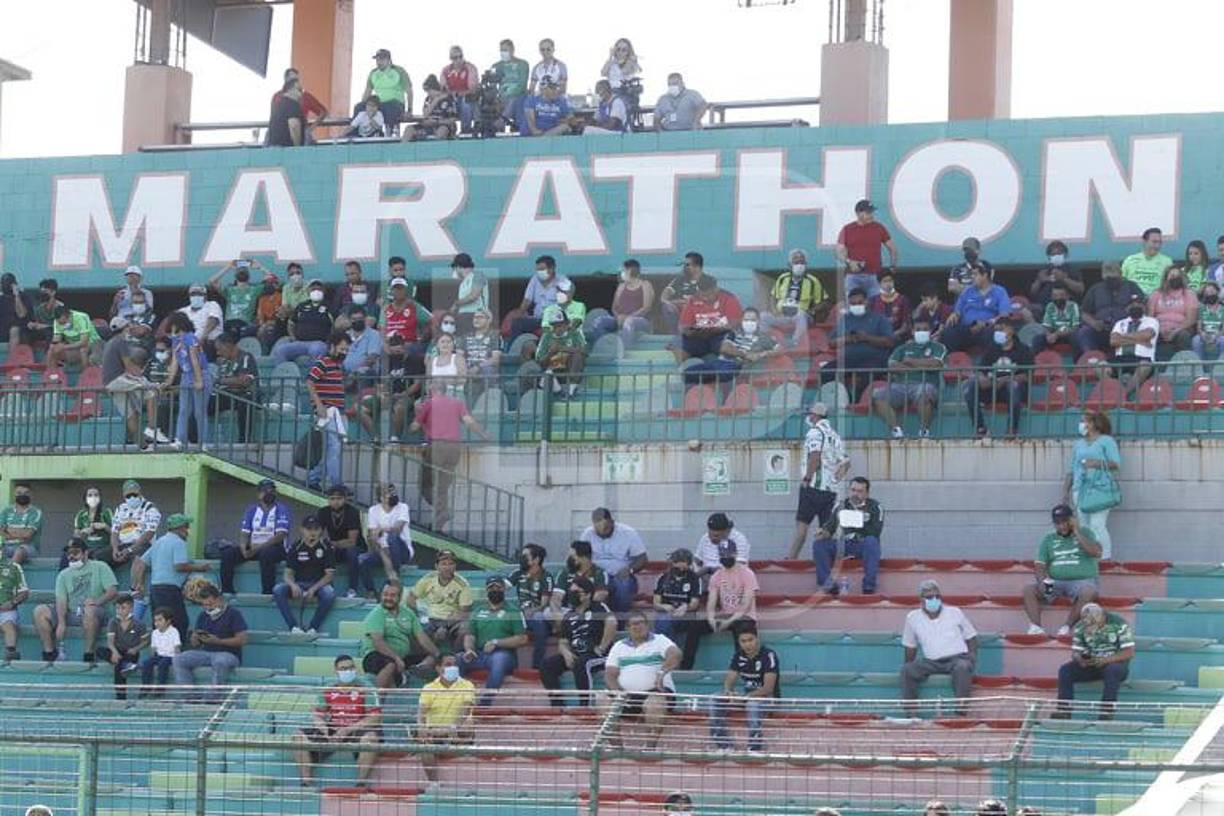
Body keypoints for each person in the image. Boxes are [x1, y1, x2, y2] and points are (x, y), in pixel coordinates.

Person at [410, 378, 490, 530]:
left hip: (437, 446)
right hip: (454, 447)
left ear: (432, 389)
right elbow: (468, 421)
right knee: (442, 485)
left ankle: (442, 511)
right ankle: (440, 519)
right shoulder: (457, 403)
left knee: (425, 483)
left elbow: (415, 426)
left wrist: (410, 427)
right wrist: (483, 434)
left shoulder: (428, 404)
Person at [293, 655, 382, 787]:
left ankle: (361, 783)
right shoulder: (328, 688)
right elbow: (317, 715)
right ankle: (306, 782)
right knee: (298, 737)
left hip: (357, 729)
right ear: (336, 671)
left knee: (371, 738)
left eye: (351, 667)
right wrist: (324, 728)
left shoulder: (366, 688)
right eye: (344, 668)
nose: (348, 671)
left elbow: (375, 718)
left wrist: (347, 730)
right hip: (333, 729)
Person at [900, 580, 978, 715]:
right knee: (907, 670)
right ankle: (911, 713)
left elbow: (971, 637)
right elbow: (910, 646)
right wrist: (909, 664)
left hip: (957, 658)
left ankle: (961, 712)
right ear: (921, 599)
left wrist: (972, 657)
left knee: (963, 667)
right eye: (929, 597)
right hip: (931, 662)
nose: (934, 600)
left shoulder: (955, 612)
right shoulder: (912, 617)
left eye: (937, 596)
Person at [604, 610, 681, 749]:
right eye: (633, 624)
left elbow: (675, 654)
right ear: (627, 628)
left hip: (657, 692)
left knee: (654, 702)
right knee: (601, 698)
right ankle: (618, 750)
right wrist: (617, 692)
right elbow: (610, 674)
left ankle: (649, 749)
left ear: (648, 625)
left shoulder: (660, 640)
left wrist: (662, 672)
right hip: (626, 695)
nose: (637, 626)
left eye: (641, 623)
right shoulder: (619, 646)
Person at [1022, 505, 1101, 638]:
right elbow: (1040, 565)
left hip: (1082, 581)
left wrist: (1076, 531)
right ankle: (1036, 628)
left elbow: (1095, 552)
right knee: (1029, 590)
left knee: (1089, 592)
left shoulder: (1086, 533)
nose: (1061, 526)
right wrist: (1041, 581)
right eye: (1057, 523)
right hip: (1056, 581)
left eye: (1065, 522)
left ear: (1072, 520)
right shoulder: (1048, 539)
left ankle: (1067, 627)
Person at [34, 539, 117, 663]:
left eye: (76, 552)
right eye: (69, 553)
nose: (71, 556)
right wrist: (61, 622)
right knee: (40, 611)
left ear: (85, 553)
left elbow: (112, 590)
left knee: (89, 610)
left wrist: (97, 602)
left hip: (96, 612)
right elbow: (61, 600)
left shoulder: (100, 566)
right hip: (72, 613)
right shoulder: (63, 574)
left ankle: (88, 654)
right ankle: (49, 653)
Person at [540, 577, 617, 707]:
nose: (572, 595)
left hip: (599, 654)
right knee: (547, 665)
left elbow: (612, 622)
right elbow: (563, 641)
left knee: (582, 664)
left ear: (587, 594)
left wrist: (602, 648)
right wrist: (566, 653)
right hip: (577, 653)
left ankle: (585, 706)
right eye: (571, 591)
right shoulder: (569, 615)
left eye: (576, 592)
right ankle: (557, 705)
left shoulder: (598, 607)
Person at [788, 402, 851, 559]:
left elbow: (814, 456)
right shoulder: (834, 435)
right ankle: (824, 561)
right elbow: (846, 462)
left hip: (813, 487)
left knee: (802, 526)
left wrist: (807, 478)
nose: (808, 417)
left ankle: (791, 558)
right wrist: (835, 480)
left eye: (810, 414)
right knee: (825, 530)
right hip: (829, 490)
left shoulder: (815, 432)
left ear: (815, 416)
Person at [1052, 602, 1134, 720]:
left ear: (1102, 617)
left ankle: (1106, 711)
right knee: (1065, 670)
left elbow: (1128, 652)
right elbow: (1076, 652)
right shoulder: (1081, 626)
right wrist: (1081, 659)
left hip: (1114, 663)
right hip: (1092, 664)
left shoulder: (1119, 624)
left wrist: (1105, 660)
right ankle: (1064, 710)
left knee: (1112, 670)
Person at [708, 621, 780, 752]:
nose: (747, 644)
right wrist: (728, 692)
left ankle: (754, 748)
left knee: (753, 705)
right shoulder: (738, 655)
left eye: (750, 640)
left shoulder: (769, 655)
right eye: (743, 641)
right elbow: (729, 679)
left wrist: (745, 697)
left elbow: (768, 688)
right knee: (714, 699)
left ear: (757, 639)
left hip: (767, 698)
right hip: (746, 698)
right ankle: (725, 746)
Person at [872, 315, 946, 439]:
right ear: (912, 331)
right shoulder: (902, 348)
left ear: (930, 330)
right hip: (900, 386)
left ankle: (924, 431)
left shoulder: (938, 347)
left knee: (925, 392)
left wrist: (910, 361)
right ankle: (896, 430)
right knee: (877, 396)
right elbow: (892, 366)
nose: (921, 332)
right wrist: (923, 365)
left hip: (925, 383)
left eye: (925, 329)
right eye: (918, 329)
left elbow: (936, 364)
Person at [1062, 409, 1121, 560]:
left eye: (1084, 421)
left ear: (1093, 424)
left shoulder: (1107, 441)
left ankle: (1104, 558)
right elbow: (1071, 469)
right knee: (1084, 527)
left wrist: (1095, 463)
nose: (1081, 424)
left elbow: (1116, 464)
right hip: (1079, 490)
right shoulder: (1078, 444)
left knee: (1097, 524)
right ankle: (1089, 558)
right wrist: (1065, 492)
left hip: (1099, 489)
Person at [460, 577, 528, 705]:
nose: (495, 590)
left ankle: (485, 703)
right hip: (479, 654)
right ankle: (454, 701)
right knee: (456, 659)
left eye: (498, 587)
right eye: (491, 588)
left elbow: (522, 638)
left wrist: (497, 642)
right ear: (486, 590)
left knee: (499, 660)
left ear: (504, 590)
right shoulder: (478, 611)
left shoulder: (513, 611)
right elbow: (470, 635)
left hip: (504, 655)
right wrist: (469, 650)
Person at [359, 581, 440, 690]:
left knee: (433, 656)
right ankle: (376, 700)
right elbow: (378, 642)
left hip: (401, 658)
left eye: (392, 595)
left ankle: (415, 670)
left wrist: (439, 655)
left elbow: (422, 637)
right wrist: (396, 659)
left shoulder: (408, 613)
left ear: (400, 597)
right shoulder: (376, 614)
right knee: (390, 664)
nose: (388, 598)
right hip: (374, 656)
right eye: (385, 594)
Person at [134, 513, 203, 639]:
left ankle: (159, 653)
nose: (187, 531)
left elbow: (141, 563)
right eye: (186, 527)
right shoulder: (178, 543)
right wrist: (200, 568)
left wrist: (140, 583)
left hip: (155, 589)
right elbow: (179, 566)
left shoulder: (159, 542)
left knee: (160, 624)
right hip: (170, 590)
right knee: (180, 623)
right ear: (180, 528)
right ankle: (174, 655)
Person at [173, 584, 249, 697]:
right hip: (206, 653)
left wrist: (219, 641)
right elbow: (195, 645)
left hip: (229, 654)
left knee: (220, 661)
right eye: (204, 605)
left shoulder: (233, 614)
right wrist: (195, 638)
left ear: (218, 599)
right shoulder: (203, 616)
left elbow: (243, 640)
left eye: (210, 604)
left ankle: (212, 698)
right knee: (179, 659)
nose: (208, 608)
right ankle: (189, 698)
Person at [963, 317, 1033, 438]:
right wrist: (982, 379)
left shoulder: (1024, 349)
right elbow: (981, 370)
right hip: (992, 389)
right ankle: (980, 428)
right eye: (996, 330)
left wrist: (1004, 380)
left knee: (1013, 386)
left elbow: (1027, 376)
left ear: (1011, 330)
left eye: (1001, 329)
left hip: (1014, 391)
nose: (998, 333)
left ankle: (1012, 430)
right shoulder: (991, 349)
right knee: (970, 385)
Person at [813, 477, 883, 594]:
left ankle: (868, 586)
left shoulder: (875, 507)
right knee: (819, 545)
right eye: (853, 490)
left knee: (872, 541)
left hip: (863, 543)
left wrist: (855, 519)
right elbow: (829, 528)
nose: (855, 494)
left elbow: (875, 532)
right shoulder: (841, 506)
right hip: (844, 543)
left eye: (860, 491)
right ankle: (828, 584)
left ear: (867, 493)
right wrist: (822, 533)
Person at [220, 479, 291, 596]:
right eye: (265, 491)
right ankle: (227, 591)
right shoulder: (252, 510)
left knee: (266, 555)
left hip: (275, 548)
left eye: (272, 490)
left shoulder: (281, 509)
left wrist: (257, 548)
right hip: (254, 547)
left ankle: (267, 593)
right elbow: (245, 533)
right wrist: (244, 548)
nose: (269, 493)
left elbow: (280, 535)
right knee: (228, 554)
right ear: (259, 494)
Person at [416, 654, 476, 784]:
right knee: (424, 743)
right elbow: (421, 713)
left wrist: (452, 727)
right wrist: (421, 726)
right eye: (448, 665)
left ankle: (447, 735)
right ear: (438, 668)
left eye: (455, 665)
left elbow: (466, 709)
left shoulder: (467, 685)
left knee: (469, 723)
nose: (453, 667)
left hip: (457, 730)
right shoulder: (429, 688)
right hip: (435, 733)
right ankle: (434, 784)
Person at [274, 516, 336, 635]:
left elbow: (329, 576)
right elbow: (288, 574)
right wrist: (292, 585)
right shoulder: (296, 546)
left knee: (329, 594)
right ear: (301, 529)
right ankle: (293, 627)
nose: (312, 532)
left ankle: (313, 628)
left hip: (320, 585)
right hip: (300, 584)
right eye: (309, 529)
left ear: (321, 530)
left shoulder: (326, 546)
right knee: (278, 590)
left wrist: (313, 589)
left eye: (316, 529)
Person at [580, 508, 648, 614]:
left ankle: (619, 623)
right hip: (596, 574)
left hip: (620, 575)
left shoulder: (628, 532)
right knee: (582, 587)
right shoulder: (587, 534)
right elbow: (580, 556)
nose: (602, 531)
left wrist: (629, 570)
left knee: (623, 586)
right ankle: (595, 622)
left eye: (606, 528)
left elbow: (642, 559)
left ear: (612, 522)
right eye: (598, 528)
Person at [306, 332, 351, 492]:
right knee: (334, 448)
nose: (344, 352)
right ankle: (337, 486)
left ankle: (313, 478)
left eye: (346, 349)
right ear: (332, 346)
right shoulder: (323, 362)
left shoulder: (339, 365)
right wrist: (319, 405)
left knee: (334, 449)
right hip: (327, 412)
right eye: (342, 348)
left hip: (338, 412)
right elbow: (310, 381)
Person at [406, 549, 473, 651]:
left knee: (465, 629)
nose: (447, 567)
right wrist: (416, 618)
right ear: (436, 566)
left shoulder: (462, 584)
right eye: (443, 564)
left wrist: (444, 626)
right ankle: (430, 659)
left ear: (455, 566)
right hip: (431, 619)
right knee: (413, 632)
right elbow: (411, 597)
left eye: (451, 564)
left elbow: (464, 612)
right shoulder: (428, 579)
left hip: (452, 621)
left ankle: (454, 657)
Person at [161, 312, 211, 449]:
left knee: (199, 412)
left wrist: (199, 380)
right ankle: (179, 439)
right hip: (186, 376)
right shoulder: (176, 341)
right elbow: (175, 362)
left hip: (200, 373)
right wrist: (169, 380)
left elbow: (194, 360)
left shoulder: (191, 338)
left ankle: (203, 442)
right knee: (184, 410)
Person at [829, 287, 894, 390]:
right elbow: (831, 343)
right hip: (848, 360)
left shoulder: (880, 319)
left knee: (863, 376)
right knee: (825, 372)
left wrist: (866, 337)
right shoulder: (845, 319)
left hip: (874, 360)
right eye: (853, 304)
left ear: (867, 301)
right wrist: (847, 339)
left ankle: (854, 403)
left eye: (860, 302)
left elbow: (889, 342)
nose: (856, 306)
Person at [1076, 261, 1145, 355]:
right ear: (1102, 276)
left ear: (1120, 274)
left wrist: (1133, 308)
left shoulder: (1131, 286)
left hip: (1125, 329)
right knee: (1084, 332)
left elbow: (1142, 306)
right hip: (1101, 328)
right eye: (1108, 278)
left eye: (1114, 278)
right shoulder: (1095, 289)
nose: (1111, 281)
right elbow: (1084, 312)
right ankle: (1092, 358)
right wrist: (1094, 323)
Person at [652, 548, 704, 670]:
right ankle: (668, 657)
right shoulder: (662, 578)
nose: (680, 570)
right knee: (664, 621)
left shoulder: (695, 579)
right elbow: (656, 603)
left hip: (686, 615)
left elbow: (695, 603)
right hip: (667, 613)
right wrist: (665, 607)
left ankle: (667, 658)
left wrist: (686, 607)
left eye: (683, 568)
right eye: (677, 567)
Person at [836, 200, 898, 301]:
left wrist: (892, 266)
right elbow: (838, 251)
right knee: (853, 305)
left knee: (875, 306)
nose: (871, 215)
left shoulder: (879, 228)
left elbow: (893, 248)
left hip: (874, 276)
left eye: (871, 212)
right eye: (868, 212)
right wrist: (849, 261)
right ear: (858, 213)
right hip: (853, 276)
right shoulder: (847, 229)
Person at [942, 264, 1012, 353]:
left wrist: (987, 323)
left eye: (975, 275)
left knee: (991, 335)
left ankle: (987, 365)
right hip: (967, 328)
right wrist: (954, 314)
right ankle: (951, 363)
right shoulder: (967, 291)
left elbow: (1005, 314)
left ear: (985, 275)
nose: (972, 277)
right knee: (949, 334)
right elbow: (957, 311)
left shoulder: (999, 291)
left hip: (988, 328)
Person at [676, 274, 744, 364]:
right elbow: (683, 326)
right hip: (699, 337)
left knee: (727, 346)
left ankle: (743, 358)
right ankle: (682, 372)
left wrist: (712, 329)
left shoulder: (729, 298)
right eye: (703, 296)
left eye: (709, 295)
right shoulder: (693, 300)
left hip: (720, 336)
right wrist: (692, 331)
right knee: (677, 345)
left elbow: (734, 323)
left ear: (715, 289)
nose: (706, 298)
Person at [508, 543, 555, 669]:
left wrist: (531, 611)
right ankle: (511, 665)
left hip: (536, 614)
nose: (521, 559)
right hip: (520, 614)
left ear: (536, 560)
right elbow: (502, 587)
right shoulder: (518, 573)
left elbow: (544, 604)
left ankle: (537, 665)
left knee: (539, 618)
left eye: (525, 556)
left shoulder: (546, 577)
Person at [360, 483, 413, 593]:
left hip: (402, 551)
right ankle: (371, 591)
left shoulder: (402, 507)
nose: (393, 495)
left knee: (392, 537)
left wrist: (381, 529)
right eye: (389, 493)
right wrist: (381, 551)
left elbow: (397, 529)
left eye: (394, 492)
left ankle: (393, 577)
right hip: (382, 550)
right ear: (381, 497)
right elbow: (372, 536)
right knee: (362, 560)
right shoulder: (373, 510)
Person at [705, 539, 759, 636]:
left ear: (735, 554)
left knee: (742, 628)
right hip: (725, 614)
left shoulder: (747, 574)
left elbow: (745, 605)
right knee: (694, 626)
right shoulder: (716, 576)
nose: (725, 557)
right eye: (722, 555)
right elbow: (711, 601)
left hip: (744, 616)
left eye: (728, 554)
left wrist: (729, 621)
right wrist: (711, 618)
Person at [212, 332, 259, 442]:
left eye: (219, 349)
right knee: (203, 401)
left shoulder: (246, 357)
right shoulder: (224, 362)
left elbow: (244, 382)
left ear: (228, 345)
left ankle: (244, 440)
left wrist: (220, 381)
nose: (218, 353)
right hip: (228, 395)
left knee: (245, 402)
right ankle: (196, 438)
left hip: (245, 394)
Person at [321, 485, 366, 599]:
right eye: (332, 498)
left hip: (356, 547)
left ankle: (352, 589)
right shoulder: (323, 512)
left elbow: (352, 541)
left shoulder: (352, 512)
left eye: (339, 498)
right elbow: (316, 534)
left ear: (345, 499)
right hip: (336, 548)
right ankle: (324, 587)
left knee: (351, 552)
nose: (336, 502)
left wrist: (333, 544)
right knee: (320, 551)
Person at [1109, 293, 1158, 397]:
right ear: (1127, 308)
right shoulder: (1120, 323)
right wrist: (1140, 340)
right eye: (1132, 304)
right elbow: (1113, 341)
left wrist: (1123, 337)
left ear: (1144, 306)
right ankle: (1115, 391)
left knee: (1145, 367)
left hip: (1142, 358)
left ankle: (1123, 395)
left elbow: (1147, 335)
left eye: (1138, 304)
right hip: (1121, 358)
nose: (1135, 306)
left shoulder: (1152, 321)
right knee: (1101, 367)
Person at [597, 259, 654, 348]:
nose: (621, 273)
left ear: (630, 271)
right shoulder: (621, 286)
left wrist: (628, 317)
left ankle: (624, 350)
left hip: (640, 321)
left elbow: (646, 307)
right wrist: (618, 317)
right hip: (620, 319)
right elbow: (614, 308)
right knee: (600, 321)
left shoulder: (645, 285)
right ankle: (603, 348)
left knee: (629, 322)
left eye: (623, 270)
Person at [274, 279, 333, 363]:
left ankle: (313, 376)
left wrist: (329, 341)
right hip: (300, 342)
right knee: (281, 351)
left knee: (317, 350)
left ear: (324, 291)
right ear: (308, 291)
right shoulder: (301, 306)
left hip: (318, 343)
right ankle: (286, 375)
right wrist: (293, 337)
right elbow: (291, 323)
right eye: (313, 289)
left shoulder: (329, 306)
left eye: (319, 289)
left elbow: (335, 326)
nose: (316, 291)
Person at [102, 594, 148, 700]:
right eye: (117, 608)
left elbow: (146, 642)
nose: (119, 611)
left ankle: (121, 698)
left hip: (130, 652)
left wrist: (136, 648)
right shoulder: (113, 622)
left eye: (123, 608)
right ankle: (125, 664)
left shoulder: (139, 624)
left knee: (119, 666)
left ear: (131, 607)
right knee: (101, 651)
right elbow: (110, 641)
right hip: (117, 650)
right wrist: (114, 652)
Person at [109, 480, 160, 573]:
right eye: (128, 496)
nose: (132, 497)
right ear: (124, 496)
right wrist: (115, 549)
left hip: (143, 545)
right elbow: (115, 531)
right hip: (122, 545)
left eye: (135, 494)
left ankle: (134, 588)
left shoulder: (149, 507)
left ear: (140, 493)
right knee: (98, 557)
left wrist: (130, 550)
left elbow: (150, 532)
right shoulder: (121, 508)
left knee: (138, 559)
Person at [1146, 264, 1197, 357]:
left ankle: (1183, 366)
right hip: (1159, 329)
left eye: (1178, 276)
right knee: (1148, 335)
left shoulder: (1189, 294)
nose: (1175, 278)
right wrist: (1159, 330)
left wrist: (1175, 331)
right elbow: (1150, 317)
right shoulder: (1156, 294)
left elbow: (1191, 319)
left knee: (1184, 336)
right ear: (1166, 278)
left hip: (1181, 329)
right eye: (1172, 276)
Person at [534, 311, 587, 399]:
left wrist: (561, 348)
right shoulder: (546, 337)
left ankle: (570, 391)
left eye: (560, 325)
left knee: (578, 356)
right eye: (555, 326)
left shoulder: (575, 334)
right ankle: (557, 391)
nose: (558, 328)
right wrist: (550, 353)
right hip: (552, 371)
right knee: (536, 372)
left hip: (569, 370)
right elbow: (540, 361)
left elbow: (584, 351)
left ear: (567, 324)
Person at [1028, 241, 1084, 322]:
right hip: (1044, 306)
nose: (1056, 256)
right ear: (1049, 257)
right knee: (1027, 310)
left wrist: (1064, 279)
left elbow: (1081, 289)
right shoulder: (1044, 270)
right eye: (1053, 254)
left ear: (1065, 255)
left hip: (1066, 305)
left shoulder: (1072, 270)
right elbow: (1033, 292)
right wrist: (1039, 281)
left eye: (1059, 254)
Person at [360, 49, 411, 134]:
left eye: (382, 59)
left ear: (389, 60)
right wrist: (363, 104)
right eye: (377, 60)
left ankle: (390, 133)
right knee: (359, 107)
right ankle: (360, 133)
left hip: (395, 104)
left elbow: (409, 91)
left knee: (390, 108)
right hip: (378, 104)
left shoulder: (399, 71)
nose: (379, 62)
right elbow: (367, 90)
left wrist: (409, 110)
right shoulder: (373, 73)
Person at [551, 540, 610, 612]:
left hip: (590, 609)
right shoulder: (565, 572)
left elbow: (601, 595)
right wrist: (557, 613)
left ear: (584, 558)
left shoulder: (599, 573)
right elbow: (557, 596)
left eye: (573, 556)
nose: (570, 559)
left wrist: (582, 606)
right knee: (548, 612)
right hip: (567, 610)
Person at [207, 260, 263, 336]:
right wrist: (228, 267)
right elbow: (211, 281)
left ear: (249, 276)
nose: (242, 273)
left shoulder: (255, 289)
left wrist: (260, 267)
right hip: (229, 324)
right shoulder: (229, 290)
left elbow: (274, 281)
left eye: (243, 272)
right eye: (240, 272)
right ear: (235, 276)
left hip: (245, 325)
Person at [402, 74, 459, 142]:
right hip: (428, 125)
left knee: (441, 132)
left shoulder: (448, 99)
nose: (428, 93)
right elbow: (425, 114)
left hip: (443, 125)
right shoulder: (428, 99)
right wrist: (435, 101)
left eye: (429, 91)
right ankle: (402, 149)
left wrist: (437, 122)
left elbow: (452, 119)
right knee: (409, 129)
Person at [381, 276, 432, 351]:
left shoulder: (414, 306)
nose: (398, 291)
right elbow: (382, 329)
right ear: (391, 291)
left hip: (409, 346)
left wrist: (421, 339)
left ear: (406, 290)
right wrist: (386, 346)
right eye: (396, 288)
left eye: (401, 288)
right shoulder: (385, 308)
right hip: (389, 346)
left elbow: (432, 321)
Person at [660, 251, 705, 334]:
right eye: (685, 264)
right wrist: (669, 302)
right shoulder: (680, 279)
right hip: (679, 309)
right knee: (667, 307)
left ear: (697, 266)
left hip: (696, 313)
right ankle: (675, 334)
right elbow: (665, 295)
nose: (684, 267)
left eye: (687, 264)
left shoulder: (707, 281)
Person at [1121, 227, 1174, 297]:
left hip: (1157, 301)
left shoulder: (1167, 261)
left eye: (1160, 243)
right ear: (1144, 241)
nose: (1157, 246)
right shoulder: (1130, 260)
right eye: (1154, 242)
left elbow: (1171, 286)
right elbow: (1122, 283)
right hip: (1134, 301)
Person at [1032, 281, 1082, 354]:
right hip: (1053, 335)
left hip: (1069, 334)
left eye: (1061, 295)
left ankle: (1077, 363)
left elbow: (1075, 328)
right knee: (1038, 339)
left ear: (1067, 296)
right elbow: (1046, 325)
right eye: (1055, 296)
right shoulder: (1050, 306)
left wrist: (1056, 334)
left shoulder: (1073, 306)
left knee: (1076, 338)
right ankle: (1036, 363)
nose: (1058, 298)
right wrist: (1048, 335)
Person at [694, 512, 750, 577]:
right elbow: (697, 560)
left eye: (716, 535)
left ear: (727, 531)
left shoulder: (739, 539)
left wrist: (711, 571)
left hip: (730, 578)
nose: (711, 538)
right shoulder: (705, 537)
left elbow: (740, 565)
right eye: (710, 533)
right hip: (705, 576)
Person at [140, 607, 180, 696]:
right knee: (146, 663)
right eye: (155, 620)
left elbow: (177, 647)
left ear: (168, 621)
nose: (156, 623)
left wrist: (177, 659)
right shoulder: (155, 632)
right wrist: (151, 658)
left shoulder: (174, 631)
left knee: (162, 665)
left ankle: (160, 689)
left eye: (160, 620)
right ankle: (145, 687)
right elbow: (153, 648)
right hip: (159, 655)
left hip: (170, 656)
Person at [47, 303, 100, 369]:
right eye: (60, 323)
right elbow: (56, 339)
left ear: (68, 316)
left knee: (83, 350)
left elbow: (84, 342)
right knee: (52, 350)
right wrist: (53, 345)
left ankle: (85, 375)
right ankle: (51, 373)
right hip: (73, 344)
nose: (61, 324)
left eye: (63, 322)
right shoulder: (57, 321)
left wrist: (64, 346)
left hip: (92, 342)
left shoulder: (82, 317)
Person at [0, 483, 42, 566]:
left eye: (26, 493)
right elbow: (1, 531)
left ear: (31, 495)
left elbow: (28, 534)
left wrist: (8, 530)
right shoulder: (6, 511)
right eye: (19, 493)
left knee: (19, 551)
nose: (22, 495)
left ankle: (9, 575)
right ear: (14, 494)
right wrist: (21, 533)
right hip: (6, 546)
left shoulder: (36, 512)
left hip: (28, 547)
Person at [492, 39, 530, 130]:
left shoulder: (522, 64)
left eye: (506, 50)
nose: (503, 53)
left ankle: (503, 120)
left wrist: (508, 95)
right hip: (501, 98)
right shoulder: (496, 66)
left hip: (517, 97)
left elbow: (522, 85)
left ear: (512, 50)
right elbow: (492, 84)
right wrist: (497, 98)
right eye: (501, 50)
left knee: (515, 100)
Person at [0, 545, 29, 662]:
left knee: (8, 624)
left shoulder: (14, 567)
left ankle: (11, 652)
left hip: (7, 609)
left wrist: (12, 603)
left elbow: (24, 592)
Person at [440, 45, 479, 132]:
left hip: (467, 98)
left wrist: (458, 94)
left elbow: (472, 89)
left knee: (466, 103)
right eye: (455, 57)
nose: (458, 60)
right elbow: (443, 87)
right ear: (451, 58)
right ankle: (447, 130)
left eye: (460, 56)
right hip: (451, 99)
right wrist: (451, 94)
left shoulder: (470, 68)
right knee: (443, 103)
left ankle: (465, 130)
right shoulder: (446, 70)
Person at [449, 253, 488, 334]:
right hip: (463, 317)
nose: (455, 271)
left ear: (459, 267)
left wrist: (456, 303)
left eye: (455, 268)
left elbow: (473, 296)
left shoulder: (477, 275)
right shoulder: (463, 283)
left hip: (476, 315)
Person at [427, 332, 466, 398]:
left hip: (454, 393)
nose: (445, 344)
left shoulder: (458, 358)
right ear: (437, 345)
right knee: (418, 404)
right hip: (435, 394)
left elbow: (462, 379)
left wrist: (441, 383)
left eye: (448, 342)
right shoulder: (432, 360)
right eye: (442, 342)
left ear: (453, 345)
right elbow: (428, 381)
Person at [268, 77, 305, 147]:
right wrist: (297, 148)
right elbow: (294, 126)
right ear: (290, 90)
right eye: (300, 90)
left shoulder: (278, 104)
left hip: (275, 147)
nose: (302, 94)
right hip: (288, 148)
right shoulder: (293, 104)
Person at [1194, 280, 1224, 360]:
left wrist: (1216, 336)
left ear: (1217, 292)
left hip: (1219, 335)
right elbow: (1199, 327)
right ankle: (1199, 367)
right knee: (1196, 340)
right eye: (1207, 292)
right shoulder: (1202, 309)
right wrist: (1203, 335)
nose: (1210, 294)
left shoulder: (1223, 309)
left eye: (1212, 291)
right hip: (1205, 334)